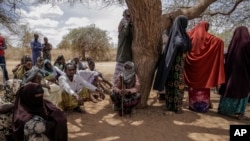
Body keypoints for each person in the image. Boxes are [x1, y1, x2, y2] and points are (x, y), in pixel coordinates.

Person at [153, 15, 192, 114]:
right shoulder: (177, 35)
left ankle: (175, 106)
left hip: (179, 66)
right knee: (174, 85)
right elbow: (180, 44)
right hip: (174, 66)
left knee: (178, 86)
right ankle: (173, 106)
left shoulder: (182, 34)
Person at [184, 21, 225, 113]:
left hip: (192, 68)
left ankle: (192, 106)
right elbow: (220, 41)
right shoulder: (210, 38)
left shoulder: (190, 35)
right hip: (204, 70)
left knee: (193, 88)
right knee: (204, 87)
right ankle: (203, 106)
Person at [218, 26, 250, 119]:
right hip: (244, 74)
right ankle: (239, 112)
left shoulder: (233, 44)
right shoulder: (248, 43)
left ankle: (224, 110)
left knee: (229, 88)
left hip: (231, 73)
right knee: (242, 91)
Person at [113, 9, 133, 85]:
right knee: (116, 81)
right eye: (128, 16)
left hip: (128, 59)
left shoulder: (129, 25)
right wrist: (128, 21)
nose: (130, 17)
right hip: (123, 58)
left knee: (127, 82)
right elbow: (125, 33)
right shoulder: (124, 22)